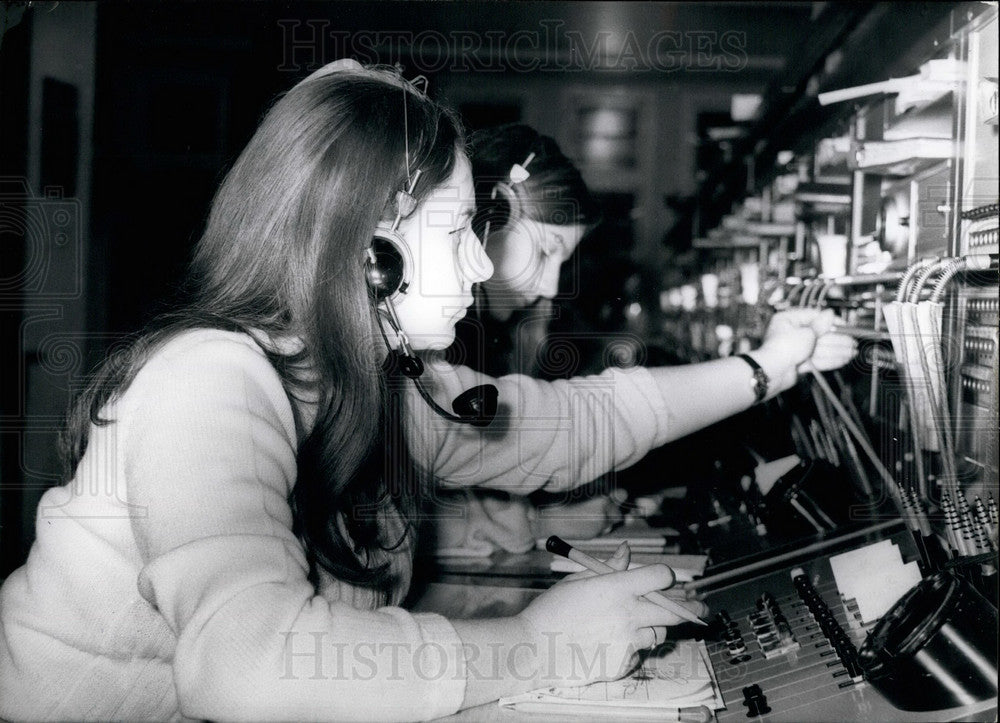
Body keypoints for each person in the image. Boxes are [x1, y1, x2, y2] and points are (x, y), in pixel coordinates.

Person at [0, 61, 852, 721]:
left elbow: (574, 421)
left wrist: (770, 367)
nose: (482, 267)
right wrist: (534, 645)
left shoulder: (368, 383)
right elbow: (245, 664)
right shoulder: (209, 379)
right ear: (370, 253)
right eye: (457, 231)